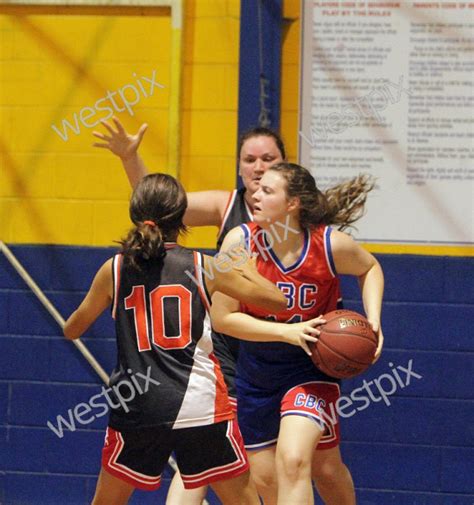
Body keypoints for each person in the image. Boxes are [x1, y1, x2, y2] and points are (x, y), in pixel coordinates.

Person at [92, 119, 375, 504]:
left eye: (268, 159)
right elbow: (160, 208)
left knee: (309, 464)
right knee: (237, 471)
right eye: (250, 159)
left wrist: (371, 323)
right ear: (240, 166)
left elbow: (367, 266)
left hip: (301, 357)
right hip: (233, 355)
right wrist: (130, 157)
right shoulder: (230, 215)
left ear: (283, 168)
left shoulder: (314, 233)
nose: (258, 168)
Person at [63, 173, 297, 505]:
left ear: (135, 213)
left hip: (139, 405)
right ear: (182, 216)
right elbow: (277, 301)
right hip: (200, 405)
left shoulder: (114, 269)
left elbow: (72, 330)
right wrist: (246, 265)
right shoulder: (204, 266)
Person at [210, 162, 385, 505]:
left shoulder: (328, 244)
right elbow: (223, 319)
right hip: (257, 376)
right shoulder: (239, 242)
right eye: (255, 189)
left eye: (267, 191)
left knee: (293, 461)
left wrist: (374, 320)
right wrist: (287, 332)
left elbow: (370, 268)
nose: (255, 194)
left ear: (292, 204)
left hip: (311, 370)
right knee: (273, 480)